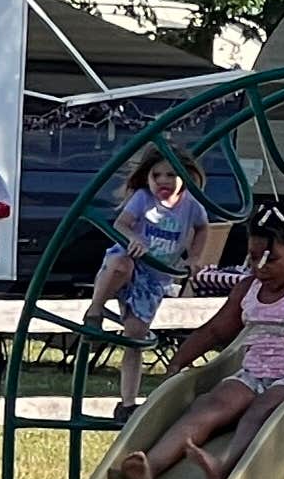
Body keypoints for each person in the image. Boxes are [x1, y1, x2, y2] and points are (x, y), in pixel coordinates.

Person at [110, 202, 284, 479]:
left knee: (260, 410)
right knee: (209, 404)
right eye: (254, 258)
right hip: (252, 373)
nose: (260, 267)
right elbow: (216, 330)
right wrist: (179, 361)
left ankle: (224, 466)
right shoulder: (250, 288)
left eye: (271, 259)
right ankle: (150, 467)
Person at [83, 153, 210, 391]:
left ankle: (127, 402)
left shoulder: (192, 206)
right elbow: (121, 223)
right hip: (128, 262)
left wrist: (194, 257)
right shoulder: (143, 198)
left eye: (171, 175)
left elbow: (203, 228)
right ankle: (95, 310)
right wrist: (134, 237)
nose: (163, 181)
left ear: (186, 176)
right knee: (122, 264)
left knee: (135, 336)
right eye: (156, 175)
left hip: (154, 278)